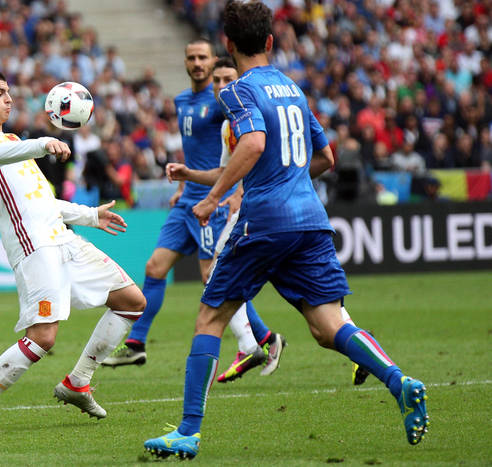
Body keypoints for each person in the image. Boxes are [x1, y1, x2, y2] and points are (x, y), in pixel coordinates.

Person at [144, 2, 428, 459]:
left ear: (228, 45)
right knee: (328, 325)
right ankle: (400, 381)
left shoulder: (237, 90)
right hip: (310, 220)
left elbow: (253, 143)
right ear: (271, 41)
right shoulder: (292, 88)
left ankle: (187, 431)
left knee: (210, 318)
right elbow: (326, 157)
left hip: (263, 221)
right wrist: (291, 180)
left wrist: (214, 197)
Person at [0, 69, 146, 433]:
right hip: (34, 246)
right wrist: (42, 143)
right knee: (43, 336)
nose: (9, 99)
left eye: (8, 92)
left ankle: (78, 382)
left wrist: (90, 215)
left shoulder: (11, 140)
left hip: (63, 238)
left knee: (131, 302)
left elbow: (42, 200)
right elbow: (5, 152)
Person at [102, 39, 285, 378]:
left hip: (212, 201)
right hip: (188, 199)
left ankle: (262, 338)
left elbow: (243, 146)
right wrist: (182, 186)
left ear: (214, 61)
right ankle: (137, 344)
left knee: (212, 276)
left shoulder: (224, 101)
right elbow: (196, 149)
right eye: (192, 58)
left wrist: (237, 190)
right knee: (155, 267)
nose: (198, 63)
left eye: (203, 57)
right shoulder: (182, 100)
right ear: (186, 62)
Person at [165, 56, 285, 382]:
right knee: (219, 274)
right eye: (216, 81)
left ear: (240, 78)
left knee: (218, 274)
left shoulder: (253, 115)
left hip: (268, 208)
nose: (220, 86)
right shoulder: (226, 125)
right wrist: (189, 175)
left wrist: (237, 192)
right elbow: (225, 170)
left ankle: (254, 342)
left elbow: (260, 155)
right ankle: (257, 341)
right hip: (252, 208)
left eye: (227, 79)